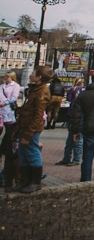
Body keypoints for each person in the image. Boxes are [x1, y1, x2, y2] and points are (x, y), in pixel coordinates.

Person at [12, 65, 51, 193]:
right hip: (25, 125)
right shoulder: (35, 89)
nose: (31, 75)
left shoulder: (41, 91)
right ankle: (25, 180)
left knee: (32, 152)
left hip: (31, 128)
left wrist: (29, 133)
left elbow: (38, 115)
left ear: (39, 77)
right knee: (23, 153)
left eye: (34, 73)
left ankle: (35, 181)